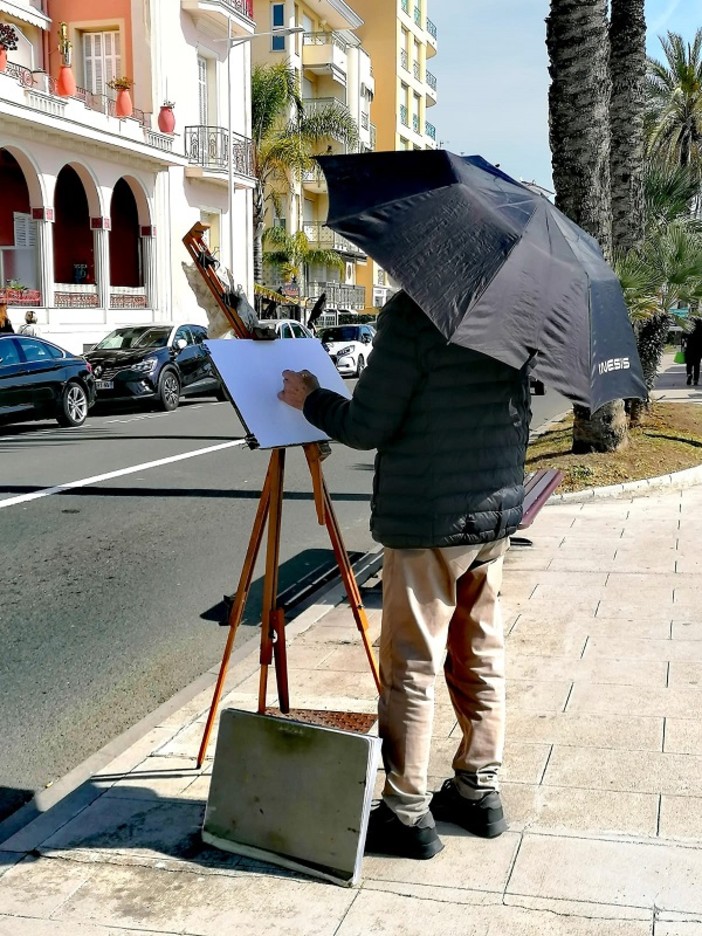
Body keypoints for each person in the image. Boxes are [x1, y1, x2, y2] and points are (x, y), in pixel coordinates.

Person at [278, 290, 531, 860]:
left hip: (428, 516)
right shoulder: (519, 307)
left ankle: (406, 810)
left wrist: (311, 399)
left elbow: (367, 425)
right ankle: (477, 791)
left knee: (411, 664)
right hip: (493, 514)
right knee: (481, 654)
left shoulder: (417, 312)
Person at [684, 318, 702, 387]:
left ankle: (689, 374)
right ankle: (695, 380)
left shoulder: (689, 326)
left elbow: (684, 336)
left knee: (689, 364)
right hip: (699, 349)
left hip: (689, 348)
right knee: (697, 365)